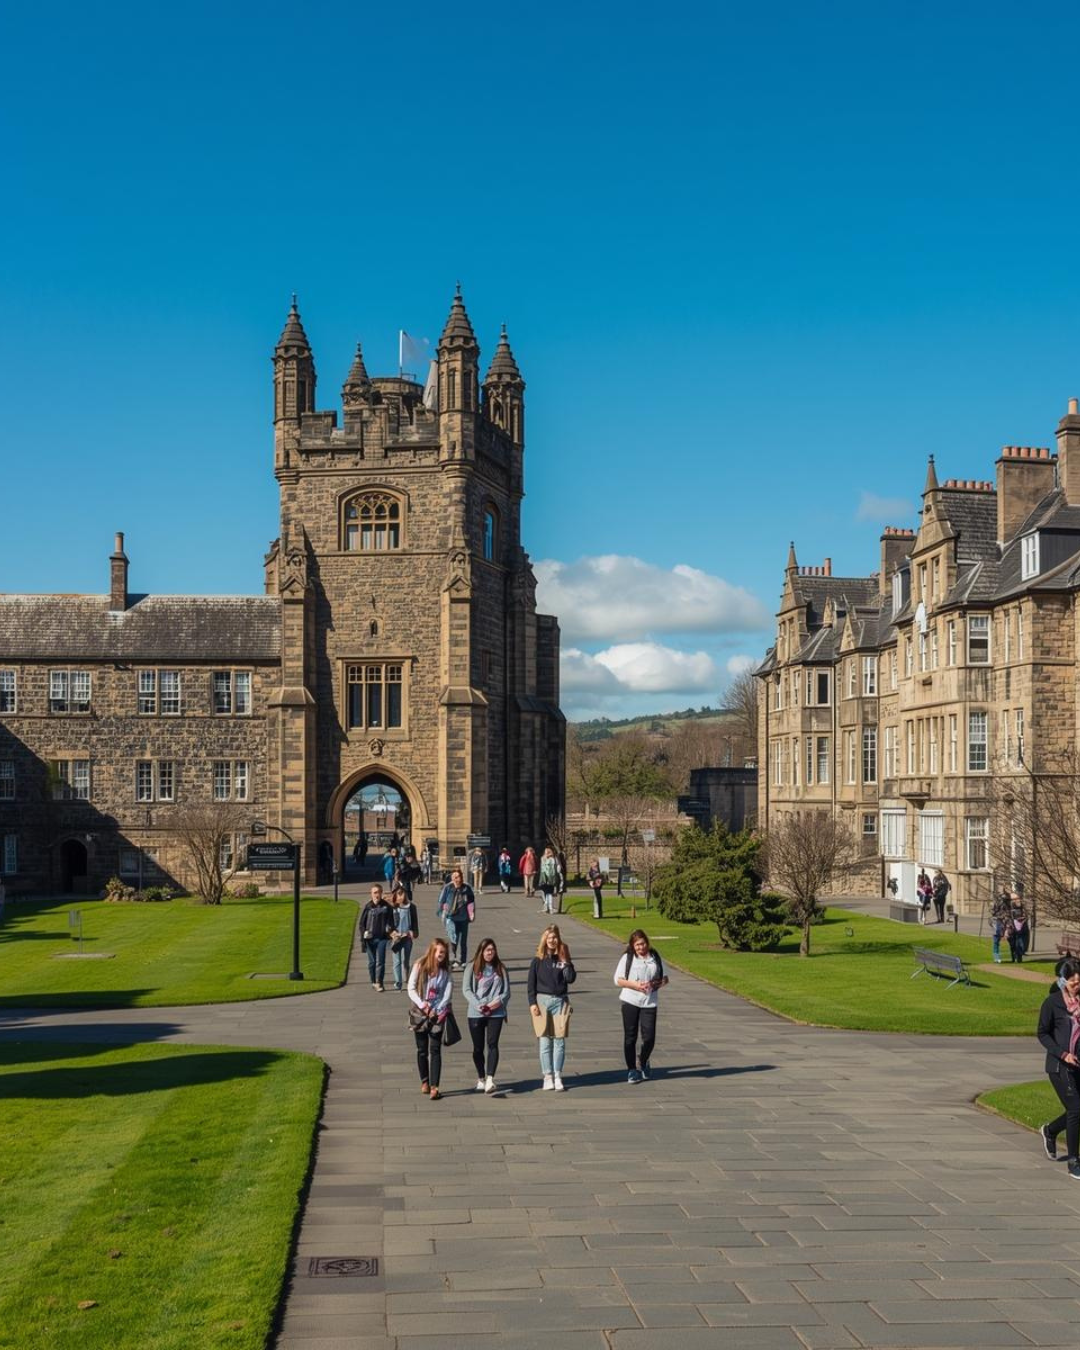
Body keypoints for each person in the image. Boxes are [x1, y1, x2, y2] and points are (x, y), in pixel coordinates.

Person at [1037, 957, 1080, 1178]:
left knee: (1077, 1110)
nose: (1076, 986)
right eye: (1073, 982)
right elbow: (1042, 1033)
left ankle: (1050, 1131)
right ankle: (1073, 1161)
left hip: (1078, 1064)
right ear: (1063, 980)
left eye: (1079, 982)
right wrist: (1063, 1054)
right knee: (1076, 1109)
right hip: (1059, 1065)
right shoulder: (1052, 1003)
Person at [614, 928, 670, 1083]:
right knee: (630, 1037)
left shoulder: (655, 957)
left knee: (649, 1038)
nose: (641, 947)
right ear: (633, 946)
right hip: (630, 1000)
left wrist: (655, 984)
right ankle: (632, 1070)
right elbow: (618, 980)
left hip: (649, 1002)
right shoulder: (627, 958)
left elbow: (665, 978)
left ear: (647, 942)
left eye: (643, 943)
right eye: (637, 945)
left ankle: (643, 1060)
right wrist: (636, 985)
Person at [528, 925, 576, 1091]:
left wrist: (566, 961)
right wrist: (532, 1003)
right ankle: (547, 1076)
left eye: (554, 937)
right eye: (549, 938)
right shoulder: (538, 960)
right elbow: (531, 984)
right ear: (544, 940)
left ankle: (557, 1075)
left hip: (560, 1001)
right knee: (545, 1041)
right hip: (542, 1001)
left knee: (559, 1041)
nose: (552, 940)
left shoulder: (562, 958)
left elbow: (570, 979)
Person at [462, 937, 510, 1094]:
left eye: (492, 950)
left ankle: (490, 1078)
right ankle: (481, 1077)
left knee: (492, 1044)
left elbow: (506, 992)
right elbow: (466, 989)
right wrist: (478, 1005)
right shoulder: (472, 967)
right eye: (487, 950)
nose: (490, 953)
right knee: (478, 1048)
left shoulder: (501, 968)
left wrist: (496, 1003)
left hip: (496, 1012)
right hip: (476, 1012)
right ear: (481, 951)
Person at [407, 938, 454, 1100]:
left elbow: (448, 992)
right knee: (422, 1050)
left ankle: (435, 1087)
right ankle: (425, 1081)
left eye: (444, 952)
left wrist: (438, 1009)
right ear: (432, 951)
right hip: (420, 1014)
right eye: (439, 951)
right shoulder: (420, 965)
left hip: (437, 1014)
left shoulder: (446, 970)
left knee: (435, 1050)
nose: (441, 955)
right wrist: (423, 1005)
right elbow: (411, 988)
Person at [438, 867, 475, 969]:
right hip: (451, 918)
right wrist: (442, 913)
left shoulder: (466, 888)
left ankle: (463, 961)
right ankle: (453, 959)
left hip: (463, 918)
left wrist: (471, 913)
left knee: (463, 941)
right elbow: (441, 901)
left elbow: (471, 901)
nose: (457, 879)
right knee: (453, 939)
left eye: (458, 877)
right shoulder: (448, 888)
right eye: (454, 877)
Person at [359, 883, 394, 992]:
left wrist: (389, 928)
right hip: (370, 939)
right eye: (375, 893)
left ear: (381, 893)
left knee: (381, 961)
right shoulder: (368, 907)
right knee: (372, 962)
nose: (377, 895)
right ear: (371, 894)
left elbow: (392, 921)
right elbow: (361, 923)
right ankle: (373, 981)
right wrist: (364, 933)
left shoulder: (386, 907)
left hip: (382, 938)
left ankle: (380, 982)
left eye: (379, 892)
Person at [389, 881, 419, 991]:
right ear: (395, 896)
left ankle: (406, 979)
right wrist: (392, 933)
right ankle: (398, 982)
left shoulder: (411, 907)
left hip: (407, 938)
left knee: (405, 960)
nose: (401, 896)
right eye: (398, 894)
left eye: (402, 893)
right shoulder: (392, 908)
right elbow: (389, 924)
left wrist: (413, 932)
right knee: (396, 961)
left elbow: (415, 923)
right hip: (396, 938)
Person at [1007, 894, 1030, 963]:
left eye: (1017, 899)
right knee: (1013, 944)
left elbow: (1027, 916)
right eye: (1014, 899)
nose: (1017, 900)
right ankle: (1015, 957)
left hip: (1022, 929)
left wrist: (1023, 919)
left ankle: (1018, 955)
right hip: (1013, 929)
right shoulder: (1010, 909)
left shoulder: (1023, 908)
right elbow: (1008, 918)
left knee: (1021, 945)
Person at [538, 847, 561, 915]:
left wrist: (557, 872)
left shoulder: (554, 859)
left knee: (549, 893)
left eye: (548, 852)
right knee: (545, 892)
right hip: (544, 877)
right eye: (546, 852)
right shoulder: (543, 858)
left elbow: (558, 867)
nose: (547, 853)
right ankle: (547, 907)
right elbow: (543, 865)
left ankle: (549, 908)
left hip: (551, 877)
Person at [990, 890, 1011, 964]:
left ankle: (1014, 956)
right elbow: (992, 912)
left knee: (1009, 938)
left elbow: (1008, 913)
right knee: (996, 941)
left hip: (1004, 922)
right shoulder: (996, 903)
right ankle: (996, 958)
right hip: (996, 922)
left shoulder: (1007, 904)